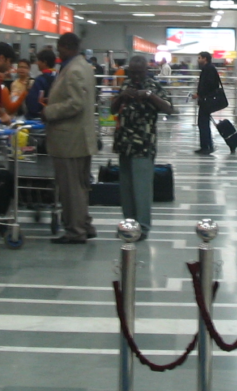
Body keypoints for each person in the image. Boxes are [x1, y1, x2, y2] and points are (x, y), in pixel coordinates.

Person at [41, 32, 98, 244]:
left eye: (59, 47)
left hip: (70, 139)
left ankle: (75, 231)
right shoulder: (81, 65)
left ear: (67, 47)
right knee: (80, 186)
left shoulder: (73, 69)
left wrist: (49, 111)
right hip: (79, 137)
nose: (57, 51)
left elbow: (76, 104)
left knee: (71, 188)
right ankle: (84, 224)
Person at [110, 54, 174, 239]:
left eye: (139, 72)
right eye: (133, 72)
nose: (136, 76)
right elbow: (113, 110)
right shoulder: (125, 84)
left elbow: (169, 108)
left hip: (144, 144)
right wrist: (121, 97)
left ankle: (143, 227)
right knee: (126, 188)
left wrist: (149, 96)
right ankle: (128, 223)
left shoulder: (153, 86)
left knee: (142, 188)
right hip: (124, 143)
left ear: (147, 71)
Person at [194, 51, 223, 155]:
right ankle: (205, 145)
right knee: (203, 123)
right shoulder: (209, 68)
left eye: (199, 58)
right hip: (206, 100)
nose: (198, 60)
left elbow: (209, 85)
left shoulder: (208, 69)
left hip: (206, 100)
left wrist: (200, 94)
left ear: (205, 59)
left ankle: (206, 146)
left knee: (203, 123)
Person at [25, 48, 56, 120]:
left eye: (38, 60)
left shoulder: (40, 80)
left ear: (44, 62)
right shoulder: (59, 76)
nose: (37, 63)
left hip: (39, 118)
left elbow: (32, 104)